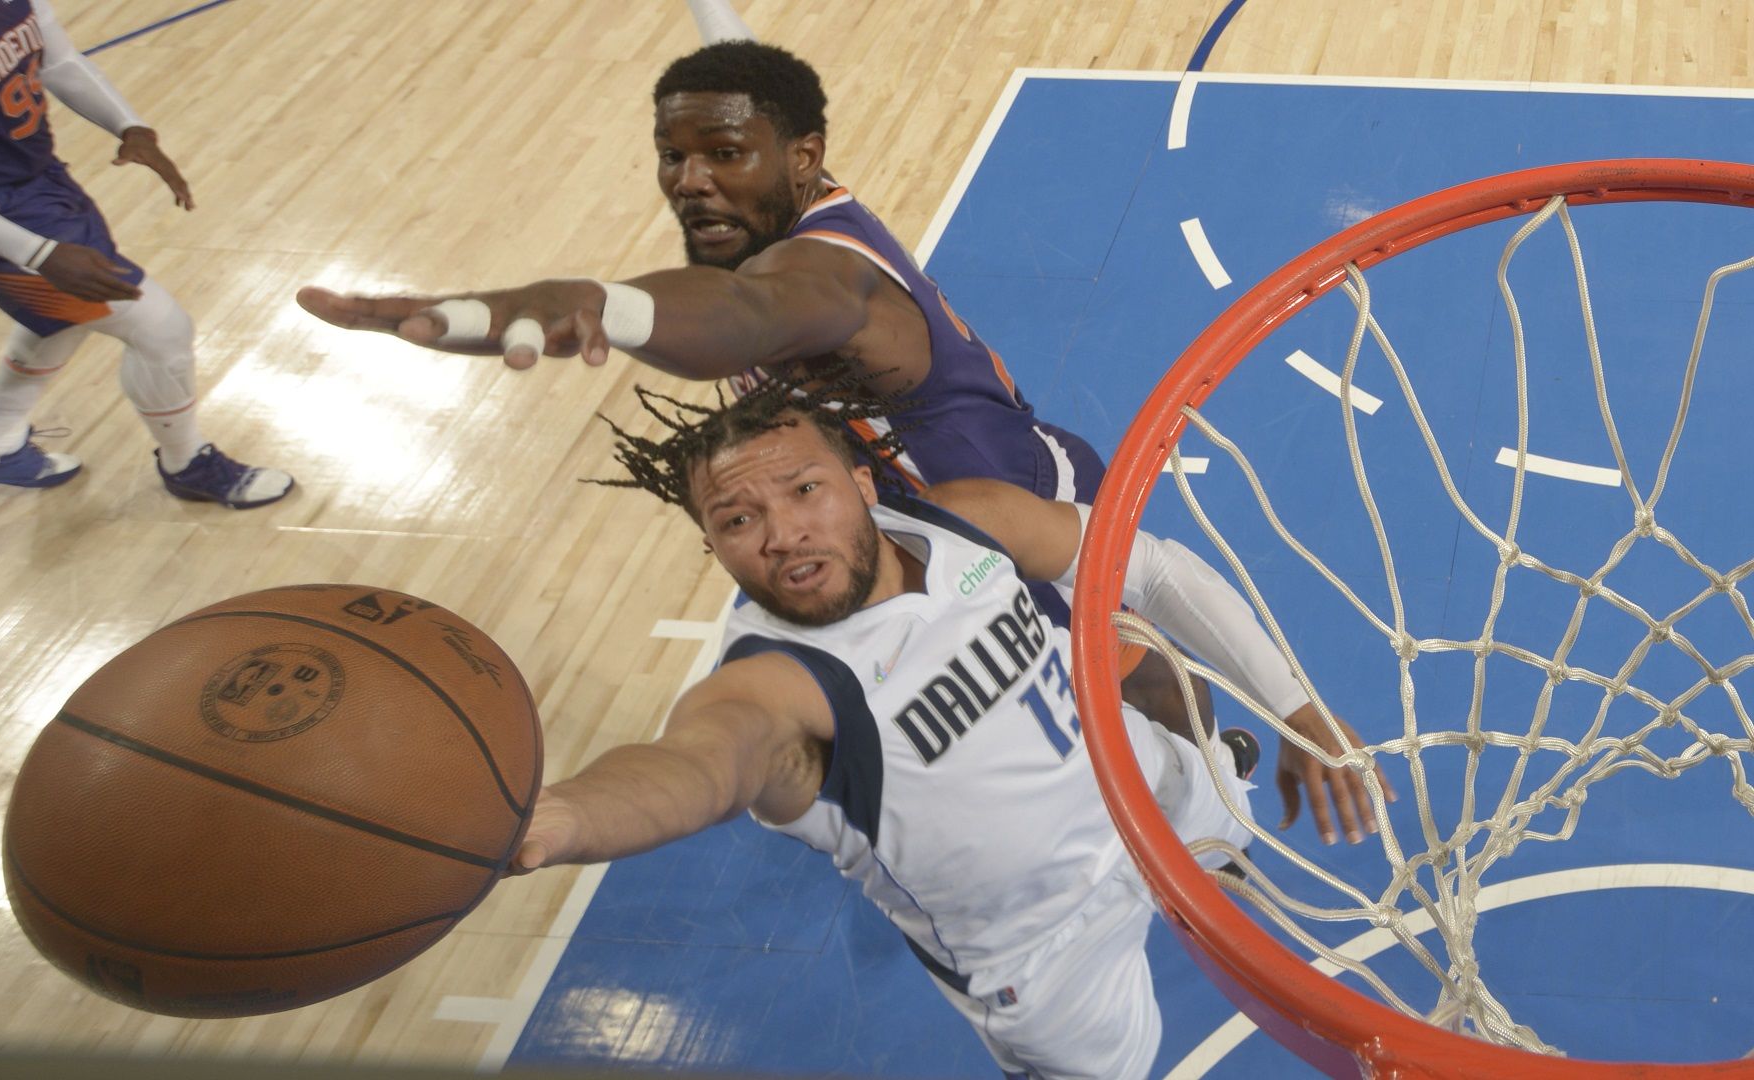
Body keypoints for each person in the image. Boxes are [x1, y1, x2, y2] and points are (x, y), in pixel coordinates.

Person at [296, 14, 1239, 762]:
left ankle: (1211, 782)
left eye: (725, 155)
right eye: (674, 156)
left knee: (1121, 674)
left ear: (802, 158)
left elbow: (740, 322)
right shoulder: (781, 200)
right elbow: (745, 187)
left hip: (1005, 509)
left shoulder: (828, 276)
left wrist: (598, 301)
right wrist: (472, 318)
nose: (691, 182)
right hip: (900, 522)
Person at [512, 378, 1393, 1079]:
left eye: (805, 490)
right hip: (1047, 957)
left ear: (862, 483)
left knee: (1214, 798)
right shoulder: (771, 690)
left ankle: (1216, 819)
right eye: (738, 521)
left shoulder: (966, 518)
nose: (781, 534)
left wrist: (1296, 705)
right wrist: (564, 817)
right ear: (714, 548)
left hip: (1147, 788)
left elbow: (1151, 572)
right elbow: (692, 769)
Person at [0, 0, 291, 508]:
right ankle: (189, 465)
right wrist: (40, 253)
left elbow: (59, 61)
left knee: (69, 311)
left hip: (36, 184)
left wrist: (130, 127)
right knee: (161, 328)